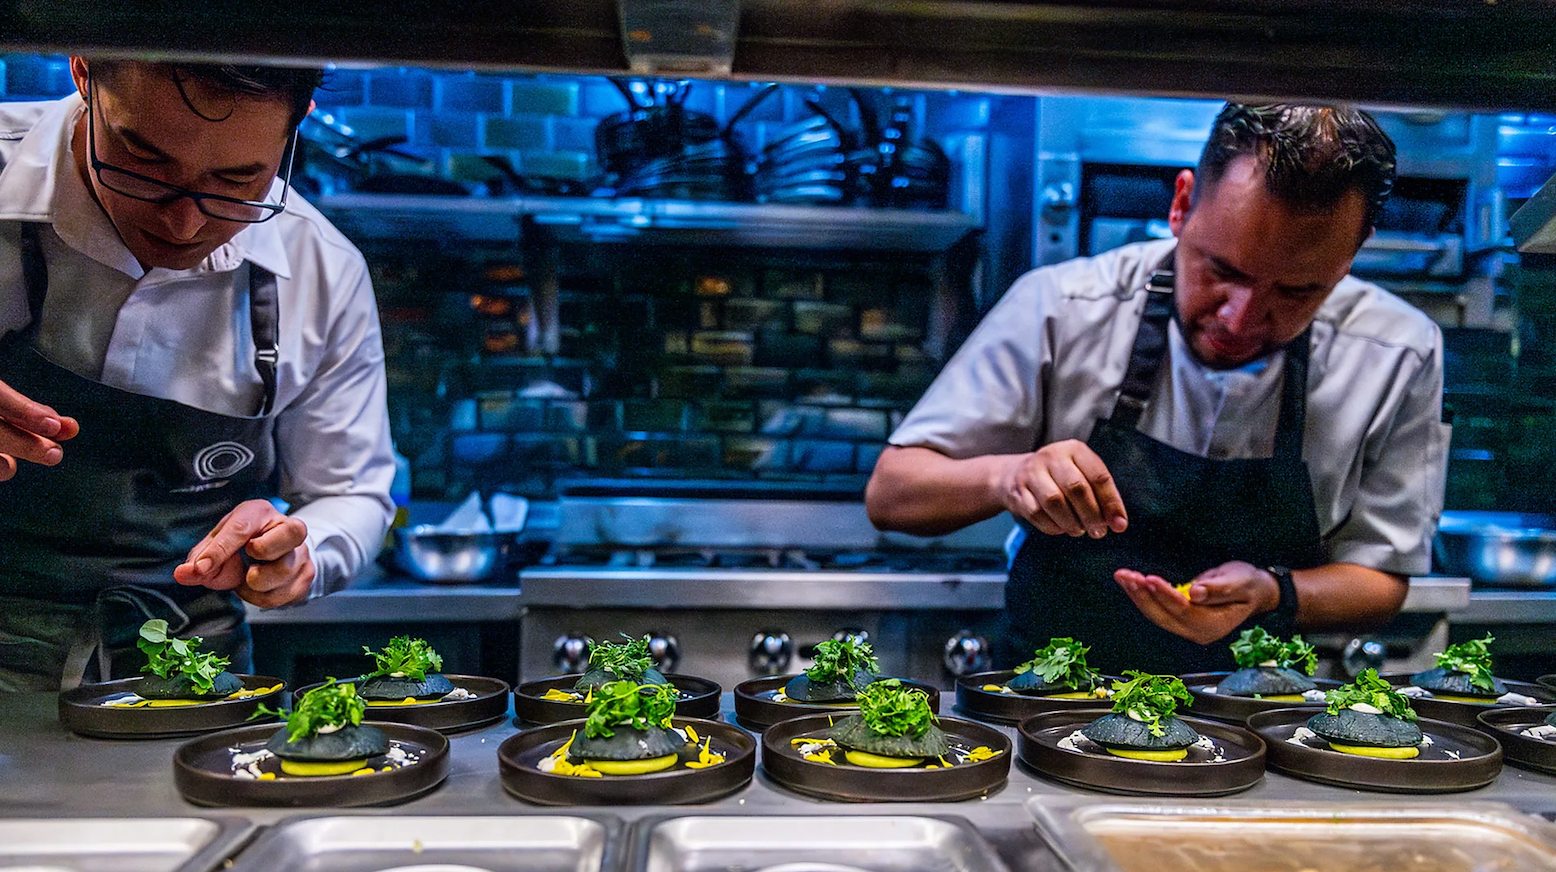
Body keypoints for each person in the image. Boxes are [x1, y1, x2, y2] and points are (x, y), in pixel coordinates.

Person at [865, 103, 1449, 674]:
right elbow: (892, 494)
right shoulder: (1062, 308)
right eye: (1223, 271)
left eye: (1297, 291)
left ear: (1353, 252)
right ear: (1181, 204)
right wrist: (1008, 475)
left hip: (1257, 716)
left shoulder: (1400, 353)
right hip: (1051, 705)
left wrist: (1273, 592)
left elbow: (1382, 578)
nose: (1240, 320)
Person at [0, 57, 394, 690]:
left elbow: (351, 492)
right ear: (82, 73)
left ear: (298, 123)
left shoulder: (323, 270)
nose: (182, 222)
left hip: (196, 682)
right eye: (143, 161)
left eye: (237, 179)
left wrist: (297, 551)